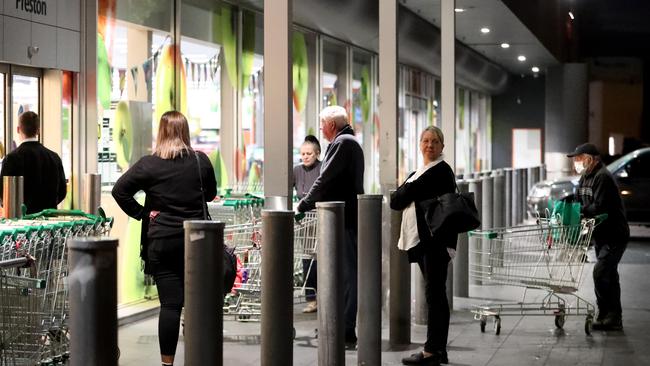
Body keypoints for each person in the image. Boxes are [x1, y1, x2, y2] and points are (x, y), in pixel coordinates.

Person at [112, 111, 216, 366]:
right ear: (186, 132)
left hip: (163, 241)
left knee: (170, 305)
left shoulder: (149, 163)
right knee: (198, 304)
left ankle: (167, 364)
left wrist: (144, 214)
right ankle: (201, 357)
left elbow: (119, 191)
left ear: (160, 133)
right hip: (198, 241)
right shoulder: (200, 161)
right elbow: (211, 194)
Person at [296, 105, 364, 347]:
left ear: (331, 125)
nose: (321, 129)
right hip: (344, 218)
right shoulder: (349, 142)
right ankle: (339, 326)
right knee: (343, 273)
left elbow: (324, 180)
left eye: (323, 124)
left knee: (347, 275)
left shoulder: (342, 143)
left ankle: (345, 330)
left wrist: (302, 205)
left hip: (344, 220)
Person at [391, 126, 457, 366]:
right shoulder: (421, 171)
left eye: (435, 141)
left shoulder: (438, 171)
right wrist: (408, 187)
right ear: (420, 144)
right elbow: (396, 201)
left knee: (435, 295)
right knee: (435, 294)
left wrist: (408, 186)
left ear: (442, 146)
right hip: (424, 242)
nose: (430, 145)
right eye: (426, 141)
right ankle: (438, 349)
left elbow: (399, 197)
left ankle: (433, 351)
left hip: (435, 243)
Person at [567, 142, 629, 331]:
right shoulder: (585, 177)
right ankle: (610, 316)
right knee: (609, 274)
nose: (576, 163)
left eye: (578, 158)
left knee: (600, 272)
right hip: (601, 235)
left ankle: (608, 313)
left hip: (614, 235)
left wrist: (580, 211)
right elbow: (578, 200)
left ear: (590, 159)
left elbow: (600, 207)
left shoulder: (603, 178)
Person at [0, 111, 66, 214]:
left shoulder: (11, 159)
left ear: (18, 129)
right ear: (38, 131)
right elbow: (62, 192)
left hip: (21, 222)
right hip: (50, 223)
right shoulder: (54, 158)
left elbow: (3, 194)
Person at [293, 135, 322, 313]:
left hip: (320, 218)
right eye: (303, 153)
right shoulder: (296, 170)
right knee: (307, 258)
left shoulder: (323, 168)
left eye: (309, 153)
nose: (305, 156)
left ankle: (323, 295)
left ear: (317, 154)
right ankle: (311, 298)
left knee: (321, 259)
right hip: (304, 221)